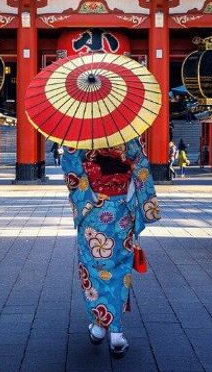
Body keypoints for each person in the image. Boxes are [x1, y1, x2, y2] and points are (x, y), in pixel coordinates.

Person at [61, 137, 160, 359]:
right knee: (119, 267)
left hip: (93, 210)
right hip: (121, 210)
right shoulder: (127, 133)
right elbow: (140, 167)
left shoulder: (77, 136)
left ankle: (99, 325)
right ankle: (115, 332)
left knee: (93, 268)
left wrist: (90, 195)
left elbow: (71, 170)